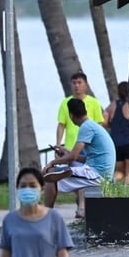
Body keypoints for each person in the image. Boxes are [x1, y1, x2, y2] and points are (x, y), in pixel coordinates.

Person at [43, 98, 116, 215]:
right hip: (99, 170)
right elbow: (81, 158)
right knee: (62, 168)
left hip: (98, 175)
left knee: (51, 176)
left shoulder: (86, 128)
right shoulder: (92, 125)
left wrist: (52, 162)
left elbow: (72, 157)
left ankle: (46, 217)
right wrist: (67, 152)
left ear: (71, 115)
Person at [54, 72, 106, 218]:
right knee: (78, 182)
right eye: (74, 83)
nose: (76, 86)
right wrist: (59, 145)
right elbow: (61, 125)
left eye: (79, 82)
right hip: (71, 147)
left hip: (87, 149)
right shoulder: (66, 103)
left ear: (86, 85)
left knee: (81, 179)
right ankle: (81, 205)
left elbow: (100, 123)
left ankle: (81, 209)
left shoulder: (94, 103)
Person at [105, 81, 129, 184]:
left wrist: (111, 125)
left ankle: (111, 183)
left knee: (119, 172)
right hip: (128, 143)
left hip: (115, 143)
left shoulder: (113, 105)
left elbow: (104, 121)